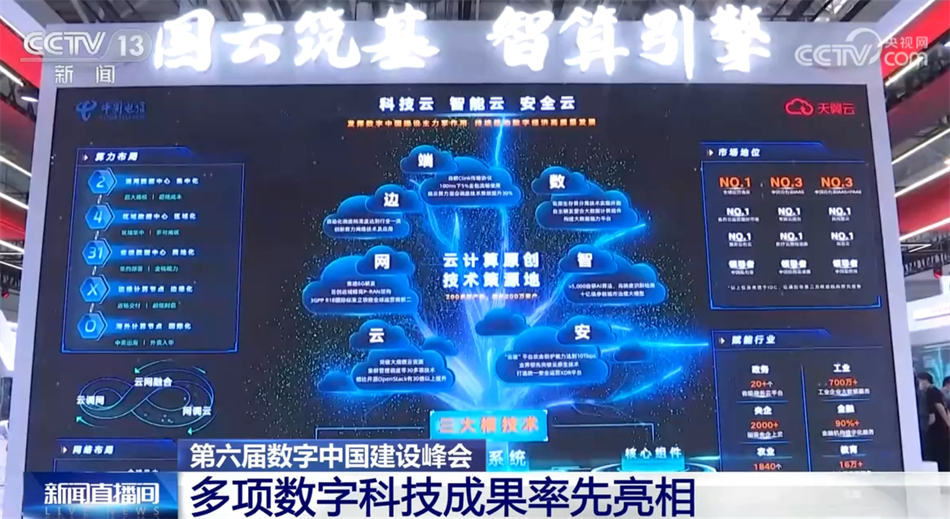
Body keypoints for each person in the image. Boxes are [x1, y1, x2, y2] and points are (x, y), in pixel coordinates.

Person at [918, 372, 950, 471]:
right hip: (939, 429)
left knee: (940, 455)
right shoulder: (932, 392)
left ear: (925, 380)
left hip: (938, 430)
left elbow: (940, 408)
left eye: (920, 381)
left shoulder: (932, 392)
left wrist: (948, 423)